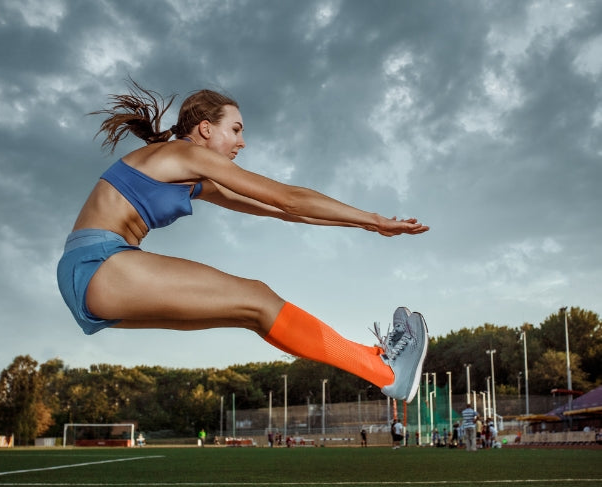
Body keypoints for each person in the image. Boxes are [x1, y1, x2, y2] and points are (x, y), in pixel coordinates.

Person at [56, 79, 430, 403]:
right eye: (236, 130)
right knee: (258, 297)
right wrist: (375, 218)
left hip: (97, 274)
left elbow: (285, 211)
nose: (242, 142)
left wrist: (368, 225)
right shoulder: (185, 153)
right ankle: (384, 370)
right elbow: (288, 197)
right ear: (205, 128)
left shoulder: (195, 177)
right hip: (99, 264)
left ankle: (380, 368)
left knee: (254, 311)